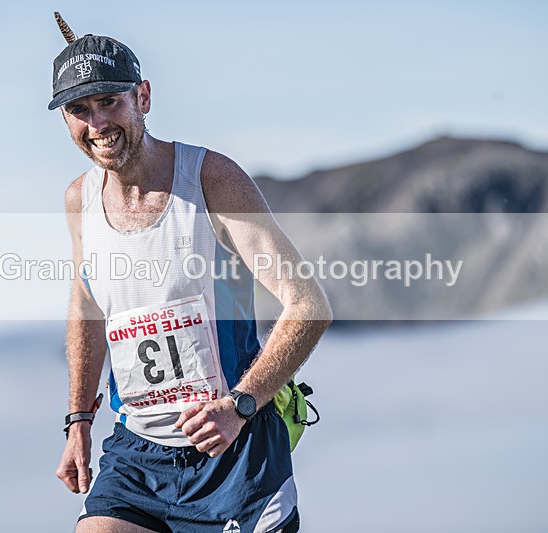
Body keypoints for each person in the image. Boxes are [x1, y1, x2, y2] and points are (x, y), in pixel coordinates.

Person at [49, 14, 332, 533]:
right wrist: (79, 421)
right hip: (137, 456)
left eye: (110, 101)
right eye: (79, 110)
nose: (97, 125)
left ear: (144, 97)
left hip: (236, 452)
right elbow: (87, 306)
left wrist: (240, 406)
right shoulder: (79, 200)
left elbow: (308, 304)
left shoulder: (210, 180)